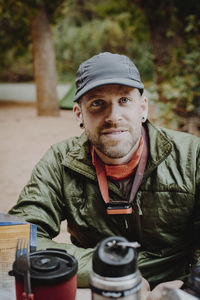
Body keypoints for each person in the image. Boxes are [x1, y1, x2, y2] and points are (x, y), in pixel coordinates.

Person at [9, 52, 200, 298]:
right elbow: (18, 239)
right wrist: (109, 271)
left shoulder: (191, 155)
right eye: (97, 103)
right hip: (98, 288)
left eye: (124, 100)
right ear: (79, 114)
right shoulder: (59, 161)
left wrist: (192, 284)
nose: (113, 116)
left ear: (142, 107)